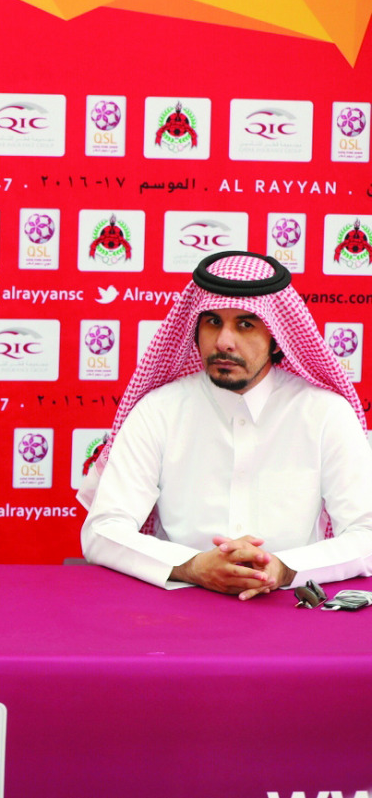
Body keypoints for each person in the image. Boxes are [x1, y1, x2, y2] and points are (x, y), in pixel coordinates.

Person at [79, 251, 372, 599]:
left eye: (245, 324)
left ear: (276, 337)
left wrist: (284, 568)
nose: (224, 342)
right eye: (213, 322)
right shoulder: (158, 410)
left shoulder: (325, 413)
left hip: (288, 610)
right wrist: (191, 566)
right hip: (176, 608)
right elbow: (103, 529)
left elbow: (365, 531)